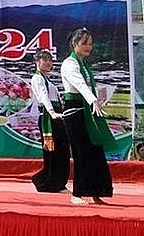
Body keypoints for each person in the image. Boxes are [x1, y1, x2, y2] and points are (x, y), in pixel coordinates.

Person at [60, 27, 114, 205]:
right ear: (74, 44)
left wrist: (97, 100)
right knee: (81, 152)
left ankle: (95, 192)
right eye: (84, 43)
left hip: (88, 109)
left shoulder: (84, 64)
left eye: (90, 44)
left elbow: (88, 86)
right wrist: (93, 100)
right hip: (75, 111)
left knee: (95, 151)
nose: (88, 47)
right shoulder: (70, 63)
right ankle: (77, 193)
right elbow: (80, 84)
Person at [29, 48, 70, 193]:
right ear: (37, 62)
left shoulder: (46, 79)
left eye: (50, 60)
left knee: (62, 150)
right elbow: (43, 97)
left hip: (56, 116)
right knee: (54, 151)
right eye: (44, 60)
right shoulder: (37, 78)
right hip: (49, 118)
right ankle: (52, 184)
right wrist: (52, 113)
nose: (48, 63)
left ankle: (48, 181)